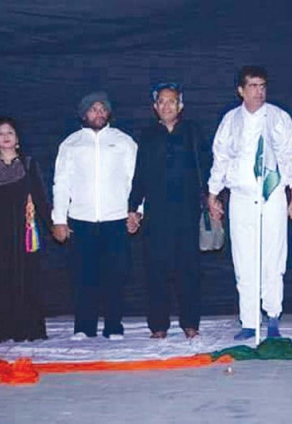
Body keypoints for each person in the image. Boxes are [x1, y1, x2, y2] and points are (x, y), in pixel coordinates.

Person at [207, 66, 292, 340]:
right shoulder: (230, 120)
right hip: (241, 196)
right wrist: (213, 194)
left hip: (272, 195)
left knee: (273, 256)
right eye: (252, 86)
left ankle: (272, 316)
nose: (258, 92)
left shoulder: (279, 117)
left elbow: (290, 156)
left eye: (262, 86)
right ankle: (249, 321)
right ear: (241, 90)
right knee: (244, 258)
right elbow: (221, 158)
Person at [52, 91, 138, 340]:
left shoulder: (124, 142)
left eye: (103, 109)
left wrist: (137, 212)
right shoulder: (71, 144)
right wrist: (59, 220)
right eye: (93, 109)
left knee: (116, 276)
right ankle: (83, 326)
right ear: (84, 114)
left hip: (116, 220)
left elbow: (136, 180)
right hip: (81, 221)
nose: (99, 113)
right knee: (83, 276)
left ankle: (114, 325)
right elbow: (61, 183)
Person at [127, 83, 210, 339]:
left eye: (171, 101)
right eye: (161, 102)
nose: (166, 106)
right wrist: (132, 208)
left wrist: (213, 200)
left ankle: (190, 323)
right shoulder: (147, 135)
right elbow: (139, 175)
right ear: (155, 107)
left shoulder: (193, 132)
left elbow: (206, 168)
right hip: (156, 214)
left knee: (189, 270)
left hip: (188, 212)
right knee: (156, 271)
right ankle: (158, 325)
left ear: (180, 105)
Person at [0, 116, 50, 342]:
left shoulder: (28, 164)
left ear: (17, 138)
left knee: (27, 279)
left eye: (10, 132)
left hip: (24, 232)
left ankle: (29, 330)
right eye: (0, 134)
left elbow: (41, 198)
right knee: (0, 281)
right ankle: (3, 331)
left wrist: (54, 225)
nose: (6, 137)